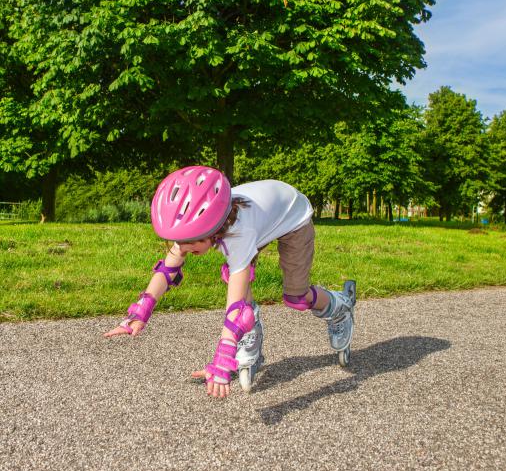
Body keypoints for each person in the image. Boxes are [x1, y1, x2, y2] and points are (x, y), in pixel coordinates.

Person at [104, 165, 355, 398]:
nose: (183, 247)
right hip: (262, 217)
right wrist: (140, 313)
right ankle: (250, 333)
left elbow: (234, 308)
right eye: (179, 241)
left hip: (292, 218)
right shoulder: (206, 222)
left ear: (213, 228)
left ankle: (340, 306)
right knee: (234, 275)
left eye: (190, 241)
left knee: (296, 297)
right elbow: (168, 270)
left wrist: (223, 358)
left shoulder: (239, 234)